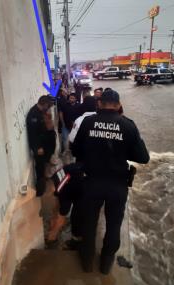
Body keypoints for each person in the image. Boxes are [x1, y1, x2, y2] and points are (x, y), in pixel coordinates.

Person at [72, 89, 149, 274]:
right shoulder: (128, 125)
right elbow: (143, 157)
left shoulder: (88, 122)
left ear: (99, 103)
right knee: (114, 225)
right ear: (118, 104)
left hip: (92, 183)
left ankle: (87, 262)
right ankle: (106, 264)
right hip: (117, 185)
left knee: (89, 224)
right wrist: (123, 151)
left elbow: (76, 151)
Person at [26, 95, 54, 197]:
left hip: (44, 145)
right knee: (40, 169)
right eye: (48, 105)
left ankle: (43, 185)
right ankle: (40, 192)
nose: (49, 108)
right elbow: (32, 134)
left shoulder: (41, 112)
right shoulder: (33, 114)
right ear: (44, 104)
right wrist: (37, 148)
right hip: (39, 148)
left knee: (44, 166)